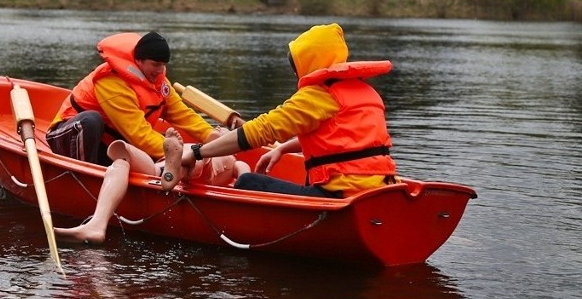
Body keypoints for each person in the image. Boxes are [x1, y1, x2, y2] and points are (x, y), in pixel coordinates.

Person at [47, 31, 248, 244]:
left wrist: (216, 139)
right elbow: (140, 136)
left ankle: (149, 168)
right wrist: (186, 153)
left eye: (163, 65)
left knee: (127, 159)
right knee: (91, 121)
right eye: (155, 64)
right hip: (71, 135)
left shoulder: (160, 82)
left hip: (113, 144)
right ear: (139, 61)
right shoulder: (112, 83)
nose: (160, 70)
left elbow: (184, 116)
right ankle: (88, 181)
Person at [166, 23, 397, 198]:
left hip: (341, 195)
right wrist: (283, 148)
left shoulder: (317, 96)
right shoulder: (366, 92)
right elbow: (345, 140)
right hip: (380, 189)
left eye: (295, 67)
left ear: (307, 64)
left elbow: (258, 131)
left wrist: (196, 153)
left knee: (248, 182)